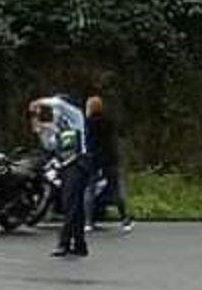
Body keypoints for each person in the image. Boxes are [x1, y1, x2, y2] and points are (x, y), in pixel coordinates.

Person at [41, 103, 90, 258]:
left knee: (70, 204)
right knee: (76, 207)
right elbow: (50, 146)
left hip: (77, 166)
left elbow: (61, 104)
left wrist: (41, 102)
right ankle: (80, 244)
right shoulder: (59, 130)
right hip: (65, 168)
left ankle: (64, 243)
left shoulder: (77, 121)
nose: (56, 115)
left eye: (57, 112)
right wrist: (42, 131)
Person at [84, 96, 134, 234]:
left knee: (90, 189)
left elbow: (88, 142)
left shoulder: (88, 123)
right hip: (110, 159)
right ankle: (124, 220)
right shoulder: (109, 122)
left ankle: (88, 222)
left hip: (94, 159)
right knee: (116, 189)